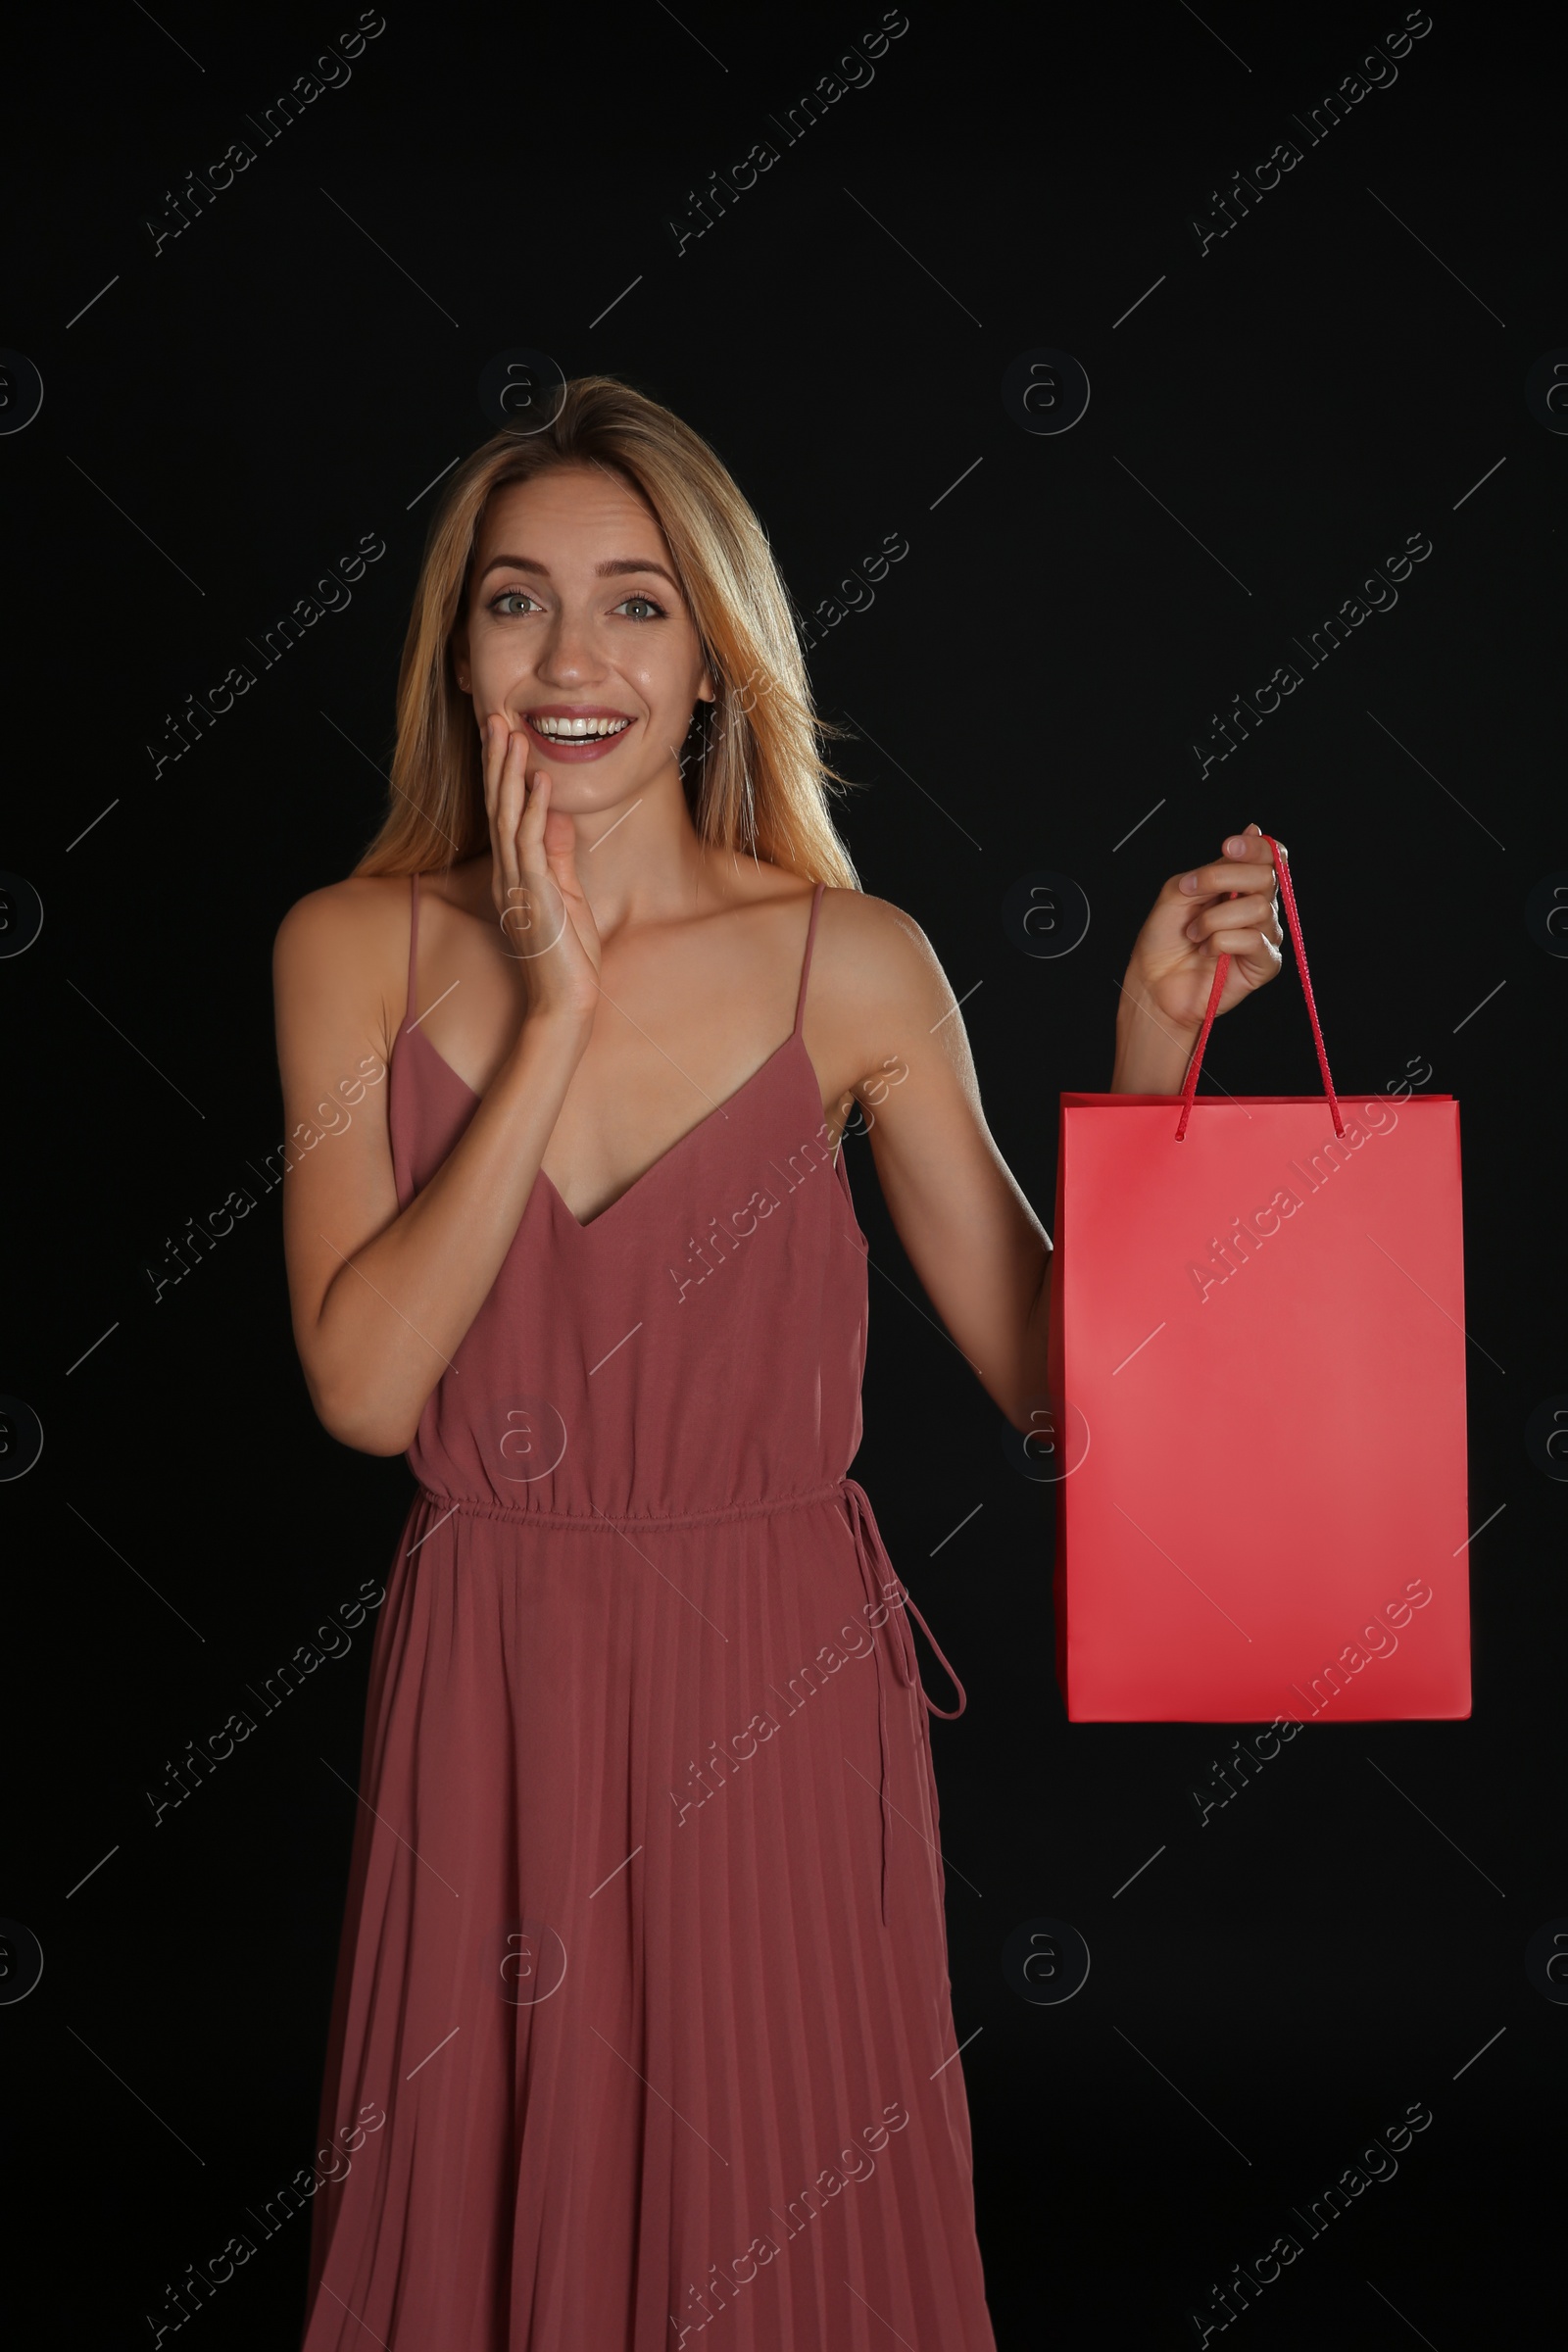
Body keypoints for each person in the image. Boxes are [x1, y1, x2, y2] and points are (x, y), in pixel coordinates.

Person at [272, 375, 1283, 2350]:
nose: (573, 657)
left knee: (775, 2217)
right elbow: (367, 1394)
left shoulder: (855, 963)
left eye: (637, 602)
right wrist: (548, 1018)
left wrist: (1152, 1072)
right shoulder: (350, 948)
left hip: (771, 1696)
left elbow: (1062, 1401)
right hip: (495, 1687)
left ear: (718, 659)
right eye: (516, 601)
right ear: (455, 644)